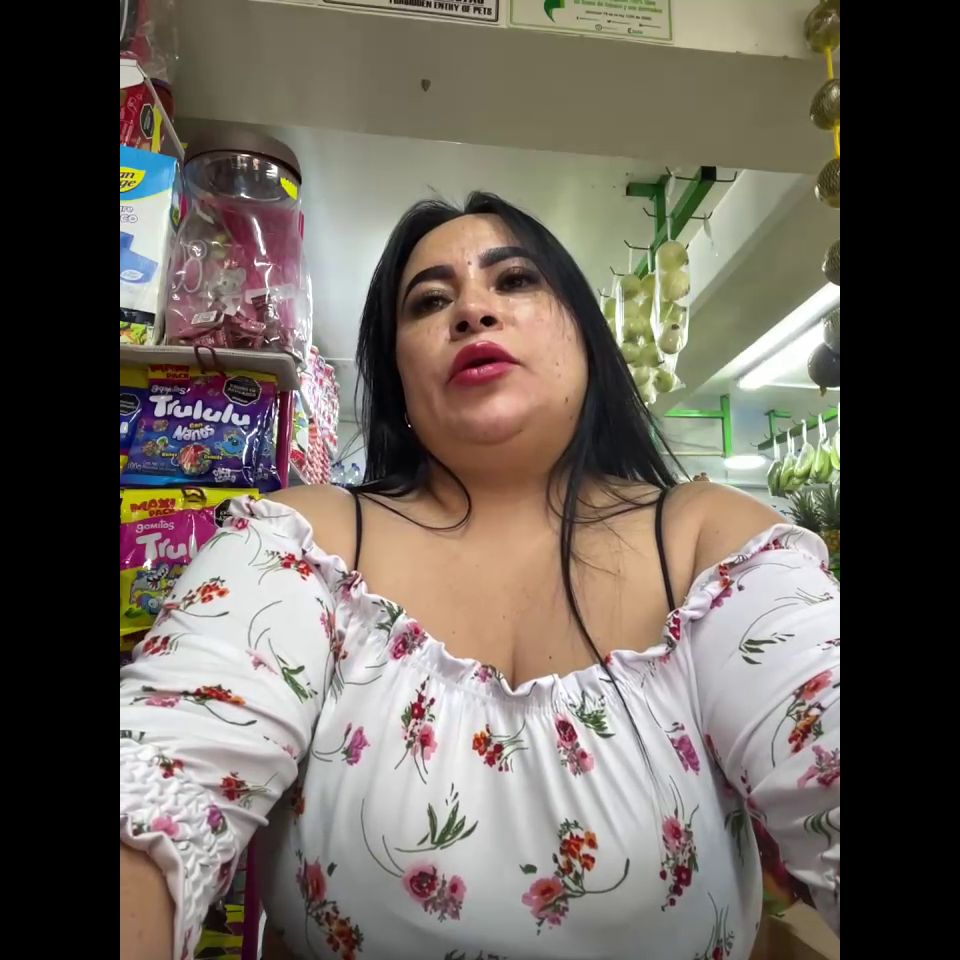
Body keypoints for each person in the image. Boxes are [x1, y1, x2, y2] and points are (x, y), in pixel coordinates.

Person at [120, 193, 839, 960]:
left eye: (515, 280)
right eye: (430, 301)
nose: (471, 310)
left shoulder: (709, 543)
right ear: (398, 373)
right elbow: (159, 773)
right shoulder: (308, 542)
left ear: (585, 336)